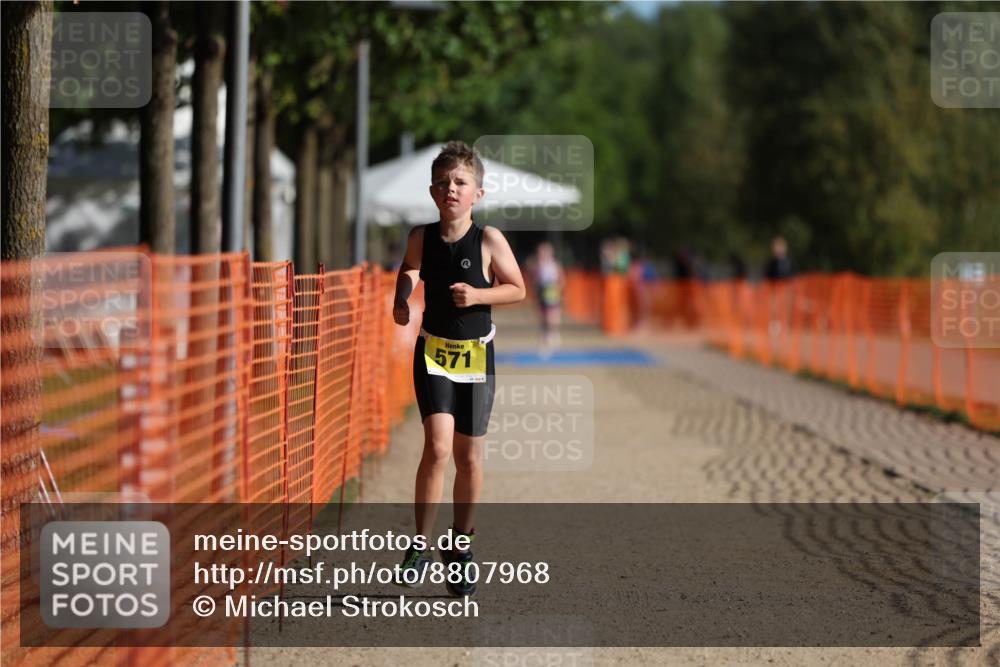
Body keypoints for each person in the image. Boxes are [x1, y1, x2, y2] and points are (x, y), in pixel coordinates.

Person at [391, 141, 525, 596]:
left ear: (478, 194)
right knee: (439, 446)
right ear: (432, 191)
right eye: (444, 182)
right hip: (433, 352)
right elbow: (409, 268)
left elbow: (518, 289)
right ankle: (419, 546)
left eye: (461, 183)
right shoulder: (420, 237)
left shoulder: (488, 240)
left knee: (469, 457)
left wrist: (480, 295)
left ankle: (461, 547)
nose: (452, 189)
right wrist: (401, 296)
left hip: (476, 354)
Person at [531, 241, 564, 355]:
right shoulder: (538, 265)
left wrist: (558, 288)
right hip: (541, 292)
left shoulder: (554, 264)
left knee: (552, 316)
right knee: (543, 316)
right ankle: (546, 335)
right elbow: (535, 279)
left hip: (551, 292)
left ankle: (552, 334)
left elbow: (561, 278)